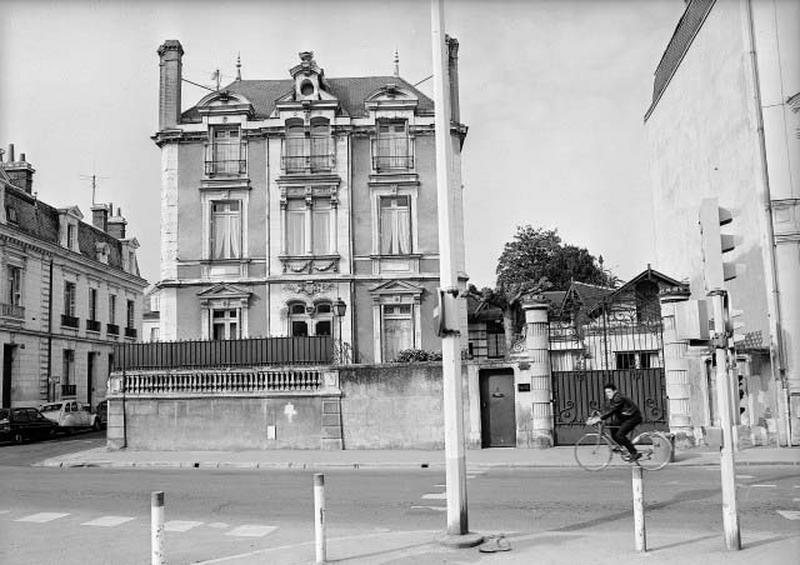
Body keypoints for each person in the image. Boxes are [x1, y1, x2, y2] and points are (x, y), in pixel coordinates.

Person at [589, 383, 642, 461]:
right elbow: (607, 409)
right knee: (612, 427)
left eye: (609, 392)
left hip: (632, 417)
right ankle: (620, 446)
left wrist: (599, 418)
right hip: (624, 417)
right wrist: (596, 416)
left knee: (620, 435)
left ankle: (634, 453)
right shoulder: (612, 399)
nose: (608, 394)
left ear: (615, 391)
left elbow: (612, 410)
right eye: (606, 392)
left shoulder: (618, 398)